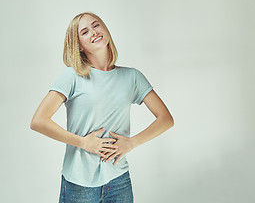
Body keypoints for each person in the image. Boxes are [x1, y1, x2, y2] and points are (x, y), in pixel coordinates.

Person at [30, 12, 174, 203]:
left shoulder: (132, 77)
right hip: (79, 183)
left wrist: (131, 143)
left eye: (96, 25)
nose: (93, 32)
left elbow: (166, 119)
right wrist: (84, 143)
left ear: (105, 29)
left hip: (119, 179)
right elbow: (38, 121)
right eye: (84, 31)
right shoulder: (72, 76)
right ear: (79, 45)